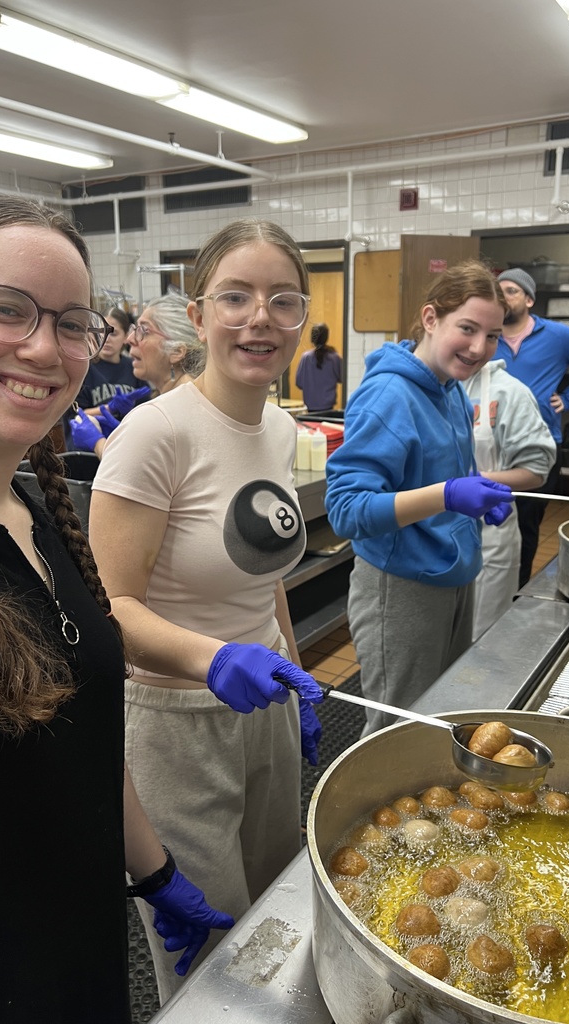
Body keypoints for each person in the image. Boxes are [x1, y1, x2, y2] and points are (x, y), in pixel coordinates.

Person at [0, 196, 241, 1024]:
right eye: (6, 309)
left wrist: (154, 872)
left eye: (71, 323)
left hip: (79, 950)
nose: (44, 347)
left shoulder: (43, 513)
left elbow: (86, 732)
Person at [88, 219, 325, 1001]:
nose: (260, 317)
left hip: (266, 709)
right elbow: (109, 608)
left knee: (276, 907)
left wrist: (291, 666)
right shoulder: (154, 436)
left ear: (299, 317)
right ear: (200, 312)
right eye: (236, 296)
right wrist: (215, 658)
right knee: (211, 959)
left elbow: (267, 577)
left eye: (282, 300)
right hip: (178, 723)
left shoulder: (282, 427)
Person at [325, 261, 514, 736]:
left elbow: (441, 467)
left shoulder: (450, 387)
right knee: (398, 728)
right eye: (467, 329)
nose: (478, 348)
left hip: (452, 575)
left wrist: (477, 490)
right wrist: (448, 496)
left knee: (441, 712)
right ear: (431, 319)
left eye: (492, 336)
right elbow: (347, 510)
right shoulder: (389, 394)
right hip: (401, 586)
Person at [495, 268, 569, 587]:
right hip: (490, 444)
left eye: (511, 290)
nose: (502, 296)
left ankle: (515, 592)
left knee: (527, 524)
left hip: (539, 444)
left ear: (529, 299)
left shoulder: (557, 336)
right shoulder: (486, 334)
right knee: (485, 519)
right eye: (498, 290)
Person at [462, 359, 556, 639]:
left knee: (481, 639)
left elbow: (537, 470)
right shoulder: (427, 390)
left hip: (489, 538)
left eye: (490, 335)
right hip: (433, 537)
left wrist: (477, 482)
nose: (477, 347)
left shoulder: (509, 392)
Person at [69, 291, 204, 458]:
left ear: (176, 351)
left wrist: (98, 443)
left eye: (144, 331)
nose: (130, 339)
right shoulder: (188, 395)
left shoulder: (172, 408)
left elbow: (133, 471)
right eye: (134, 330)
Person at [61, 306, 140, 450]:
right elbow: (73, 414)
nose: (106, 339)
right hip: (87, 451)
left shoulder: (134, 366)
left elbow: (144, 408)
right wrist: (109, 408)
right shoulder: (83, 367)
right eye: (101, 332)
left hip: (125, 446)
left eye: (114, 333)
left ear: (126, 337)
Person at [295, 321, 342, 411]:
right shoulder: (334, 357)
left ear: (312, 338)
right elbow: (343, 378)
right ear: (326, 337)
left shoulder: (306, 357)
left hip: (310, 408)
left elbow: (299, 383)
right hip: (328, 408)